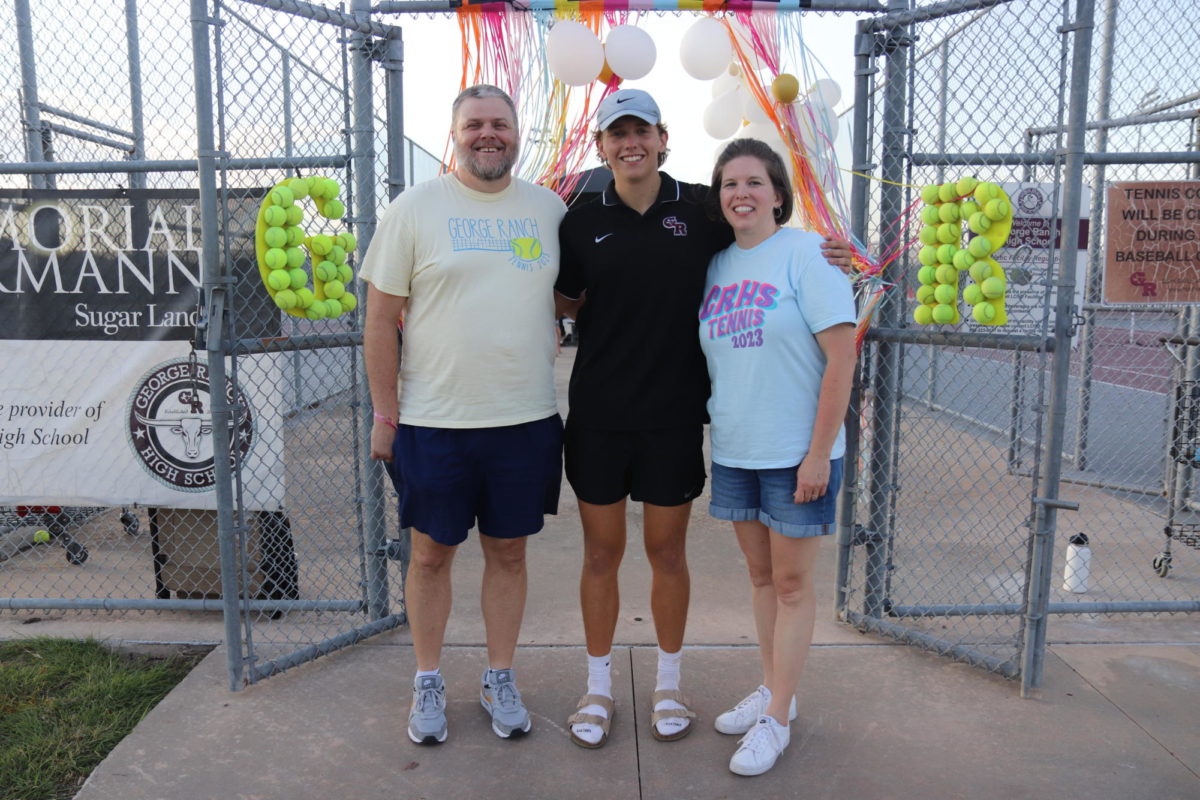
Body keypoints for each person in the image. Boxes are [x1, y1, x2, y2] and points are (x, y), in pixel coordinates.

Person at [555, 89, 854, 749]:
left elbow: (763, 232)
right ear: (602, 146)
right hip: (599, 417)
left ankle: (669, 683)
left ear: (663, 138)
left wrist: (828, 250)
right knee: (601, 554)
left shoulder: (701, 207)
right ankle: (597, 688)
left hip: (674, 420)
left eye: (642, 131)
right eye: (617, 134)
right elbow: (565, 297)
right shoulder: (578, 219)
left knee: (668, 552)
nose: (630, 143)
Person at [362, 84, 566, 746]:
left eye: (500, 124)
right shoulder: (414, 210)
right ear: (454, 134)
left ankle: (498, 676)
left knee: (508, 552)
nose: (488, 134)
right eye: (474, 124)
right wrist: (385, 414)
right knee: (430, 555)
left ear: (517, 132)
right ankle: (427, 682)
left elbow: (579, 296)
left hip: (524, 418)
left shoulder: (548, 210)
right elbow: (380, 319)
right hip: (434, 422)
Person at [699, 138, 856, 776]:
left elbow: (842, 357)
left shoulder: (807, 255)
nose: (742, 193)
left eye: (755, 182)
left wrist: (819, 454)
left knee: (792, 585)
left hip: (799, 453)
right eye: (730, 183)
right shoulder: (713, 267)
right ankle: (771, 687)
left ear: (777, 194)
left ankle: (780, 717)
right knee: (762, 581)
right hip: (737, 447)